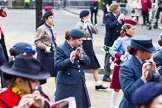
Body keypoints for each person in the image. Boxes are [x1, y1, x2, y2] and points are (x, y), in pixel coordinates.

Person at [0, 54, 68, 108]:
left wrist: (44, 106)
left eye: (38, 80)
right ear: (19, 81)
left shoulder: (38, 94)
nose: (38, 83)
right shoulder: (3, 99)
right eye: (34, 81)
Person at [119, 35, 162, 108]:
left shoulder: (147, 63)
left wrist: (156, 73)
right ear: (140, 51)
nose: (151, 54)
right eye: (149, 51)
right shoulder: (126, 67)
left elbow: (157, 88)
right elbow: (129, 94)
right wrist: (143, 78)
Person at [54, 28, 91, 108]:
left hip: (79, 82)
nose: (81, 42)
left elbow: (88, 62)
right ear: (72, 39)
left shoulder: (79, 46)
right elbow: (57, 66)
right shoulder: (61, 49)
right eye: (79, 40)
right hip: (67, 85)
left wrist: (81, 57)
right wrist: (70, 60)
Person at [76, 10, 108, 90]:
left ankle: (98, 83)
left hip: (90, 43)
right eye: (88, 15)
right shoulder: (79, 24)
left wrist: (90, 25)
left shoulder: (89, 23)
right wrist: (84, 27)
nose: (89, 17)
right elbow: (77, 34)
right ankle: (81, 82)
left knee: (94, 64)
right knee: (82, 63)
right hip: (83, 43)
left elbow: (96, 32)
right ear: (84, 16)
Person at [109, 18, 137, 108]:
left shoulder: (134, 39)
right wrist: (119, 56)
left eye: (134, 29)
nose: (134, 31)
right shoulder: (120, 39)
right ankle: (112, 106)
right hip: (121, 66)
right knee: (117, 87)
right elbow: (111, 49)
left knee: (130, 87)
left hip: (131, 66)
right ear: (126, 29)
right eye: (132, 29)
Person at [103, 3, 125, 82]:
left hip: (118, 40)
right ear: (115, 9)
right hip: (110, 40)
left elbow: (122, 26)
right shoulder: (108, 16)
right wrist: (118, 20)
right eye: (118, 8)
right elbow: (109, 26)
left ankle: (120, 74)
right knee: (108, 57)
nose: (119, 9)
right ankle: (106, 75)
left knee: (119, 56)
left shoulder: (120, 16)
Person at [34, 11, 57, 80]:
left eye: (53, 18)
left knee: (56, 72)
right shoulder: (41, 28)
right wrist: (45, 47)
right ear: (46, 19)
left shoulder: (51, 28)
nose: (52, 19)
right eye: (50, 18)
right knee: (42, 75)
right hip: (44, 53)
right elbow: (37, 41)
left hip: (52, 51)